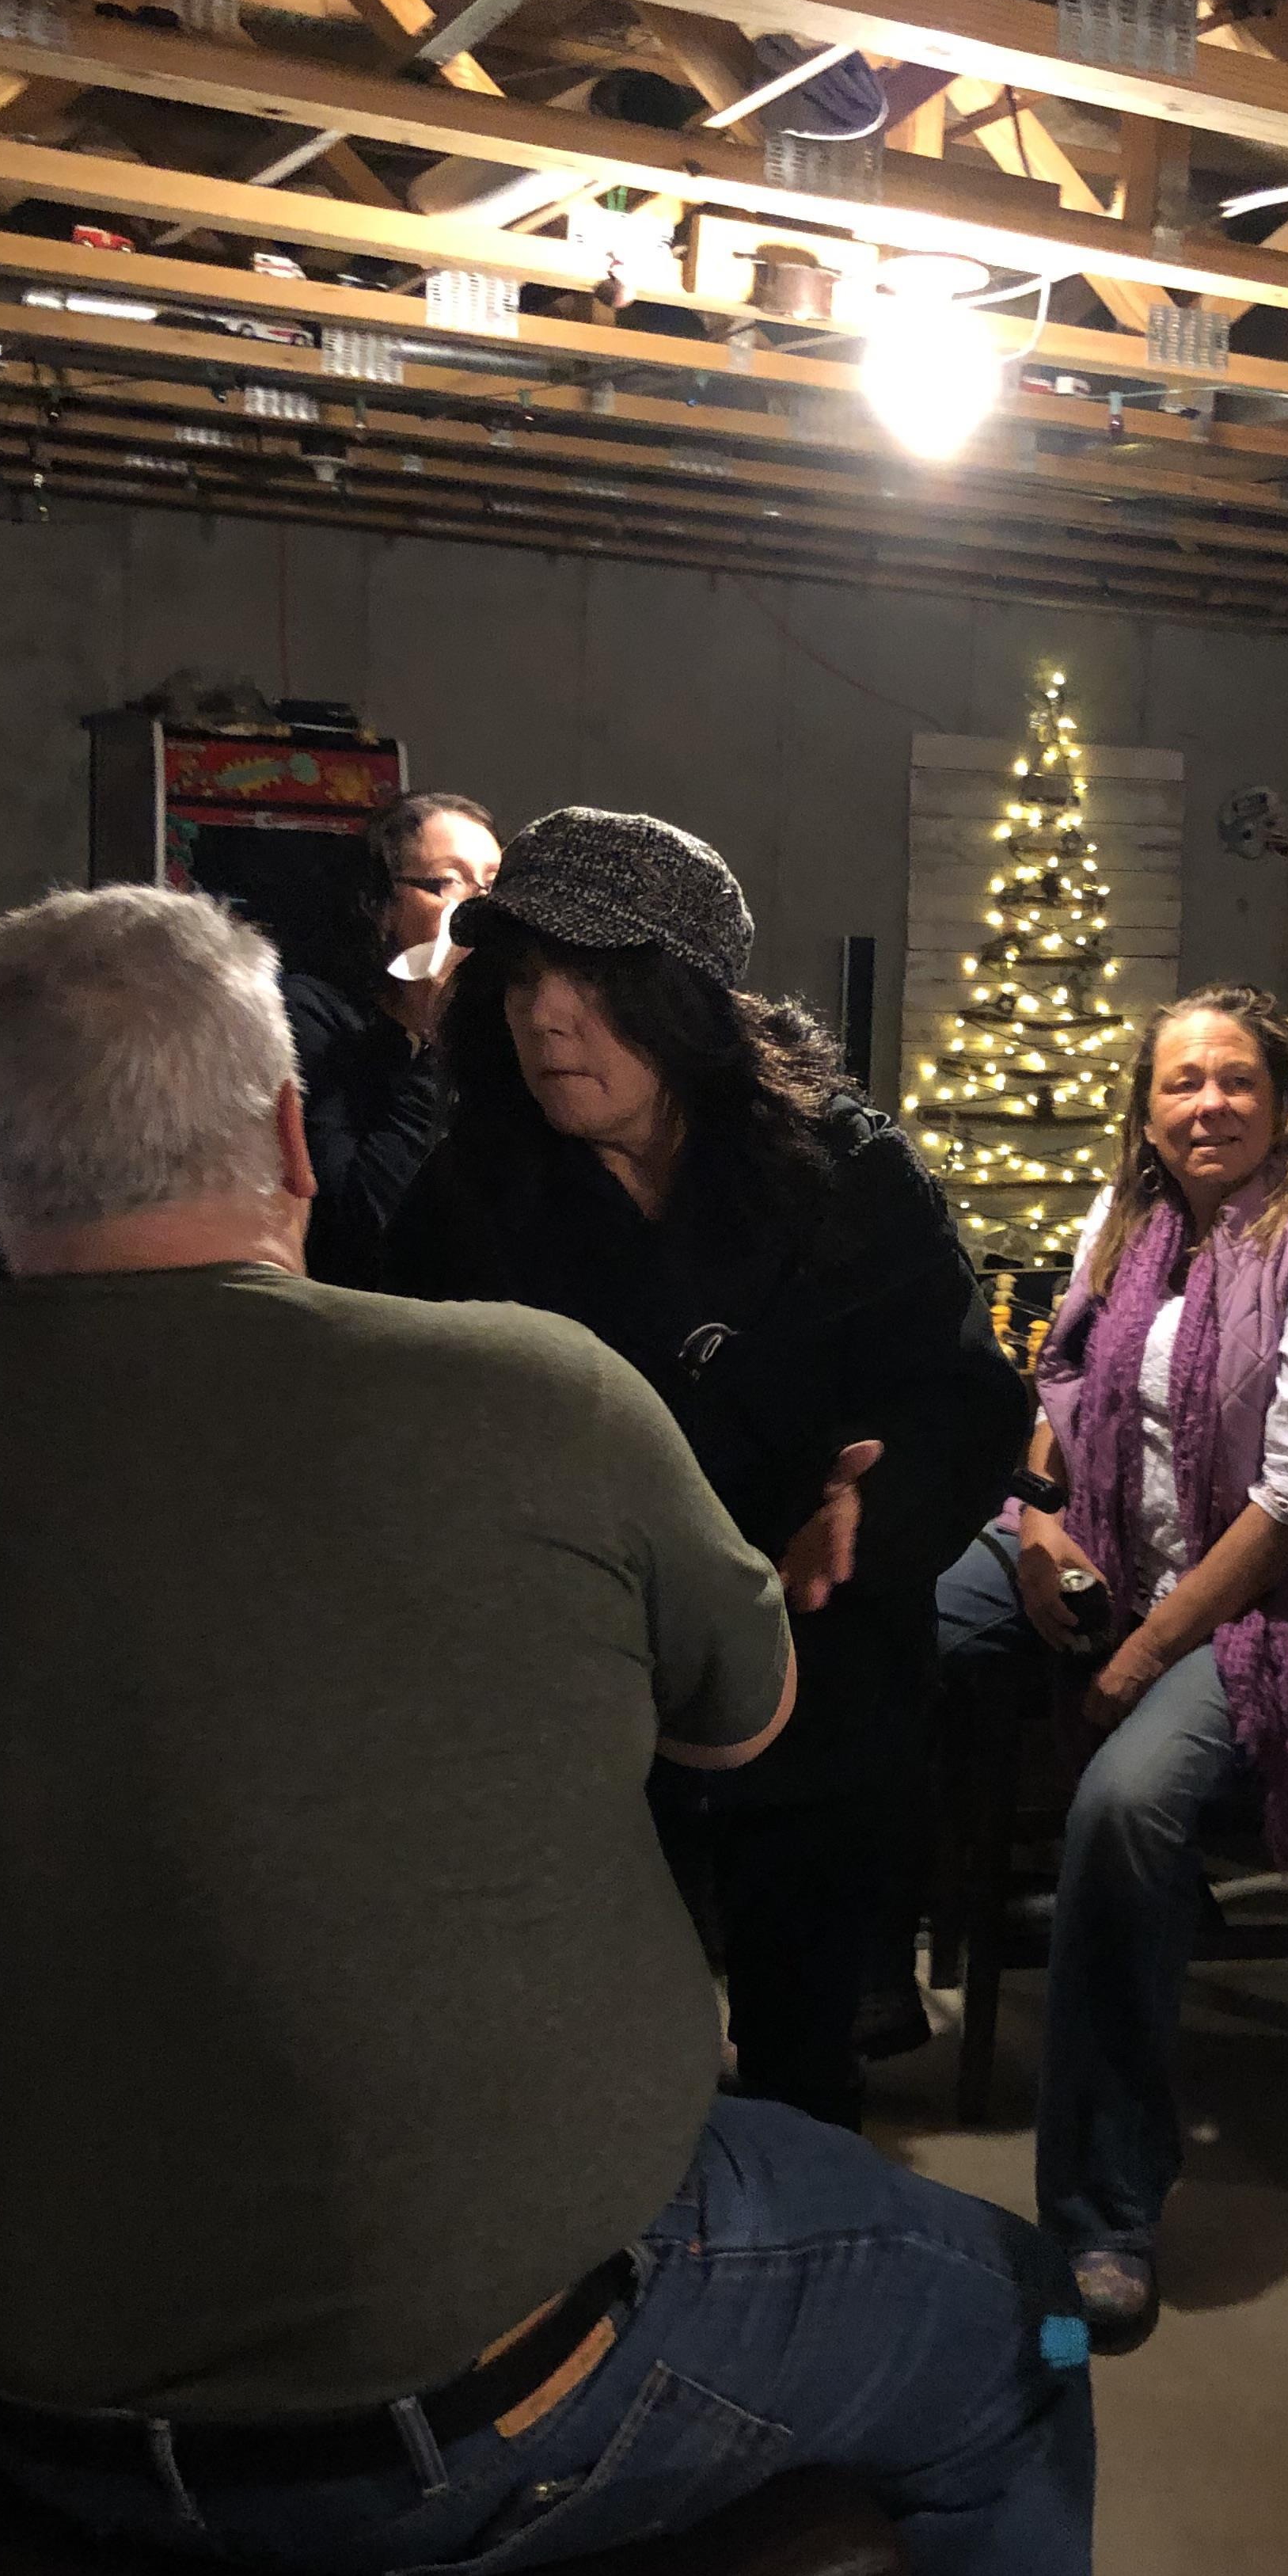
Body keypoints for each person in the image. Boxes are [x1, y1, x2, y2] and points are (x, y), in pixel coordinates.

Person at [0, 884, 1131, 2576]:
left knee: (790, 2118)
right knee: (1029, 2329)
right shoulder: (532, 1381)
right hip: (501, 2382)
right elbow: (740, 1706)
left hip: (22, 2383)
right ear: (289, 1138)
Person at [382, 807, 1028, 2125]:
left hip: (822, 1680)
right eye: (520, 977)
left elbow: (963, 1397)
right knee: (606, 2063)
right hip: (582, 1710)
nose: (544, 1019)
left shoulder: (844, 1170)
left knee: (803, 2063)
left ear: (686, 1000)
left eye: (593, 981)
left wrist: (871, 1504)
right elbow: (397, 1435)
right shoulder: (469, 1197)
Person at [937, 985, 1288, 2354]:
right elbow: (1058, 1387)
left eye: (1232, 1080)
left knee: (1125, 1806)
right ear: (1143, 1108)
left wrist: (1143, 1653)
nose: (1204, 1104)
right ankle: (862, 1980)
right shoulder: (1128, 1220)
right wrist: (1036, 1534)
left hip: (1281, 1594)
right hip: (1104, 1542)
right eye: (1177, 1083)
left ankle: (1102, 2209)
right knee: (886, 1631)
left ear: (1278, 1100)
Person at [281, 791, 502, 1288]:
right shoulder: (313, 1017)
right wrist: (438, 1037)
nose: (480, 910)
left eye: (493, 887)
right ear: (379, 906)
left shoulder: (514, 1027)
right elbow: (360, 1225)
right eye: (448, 882)